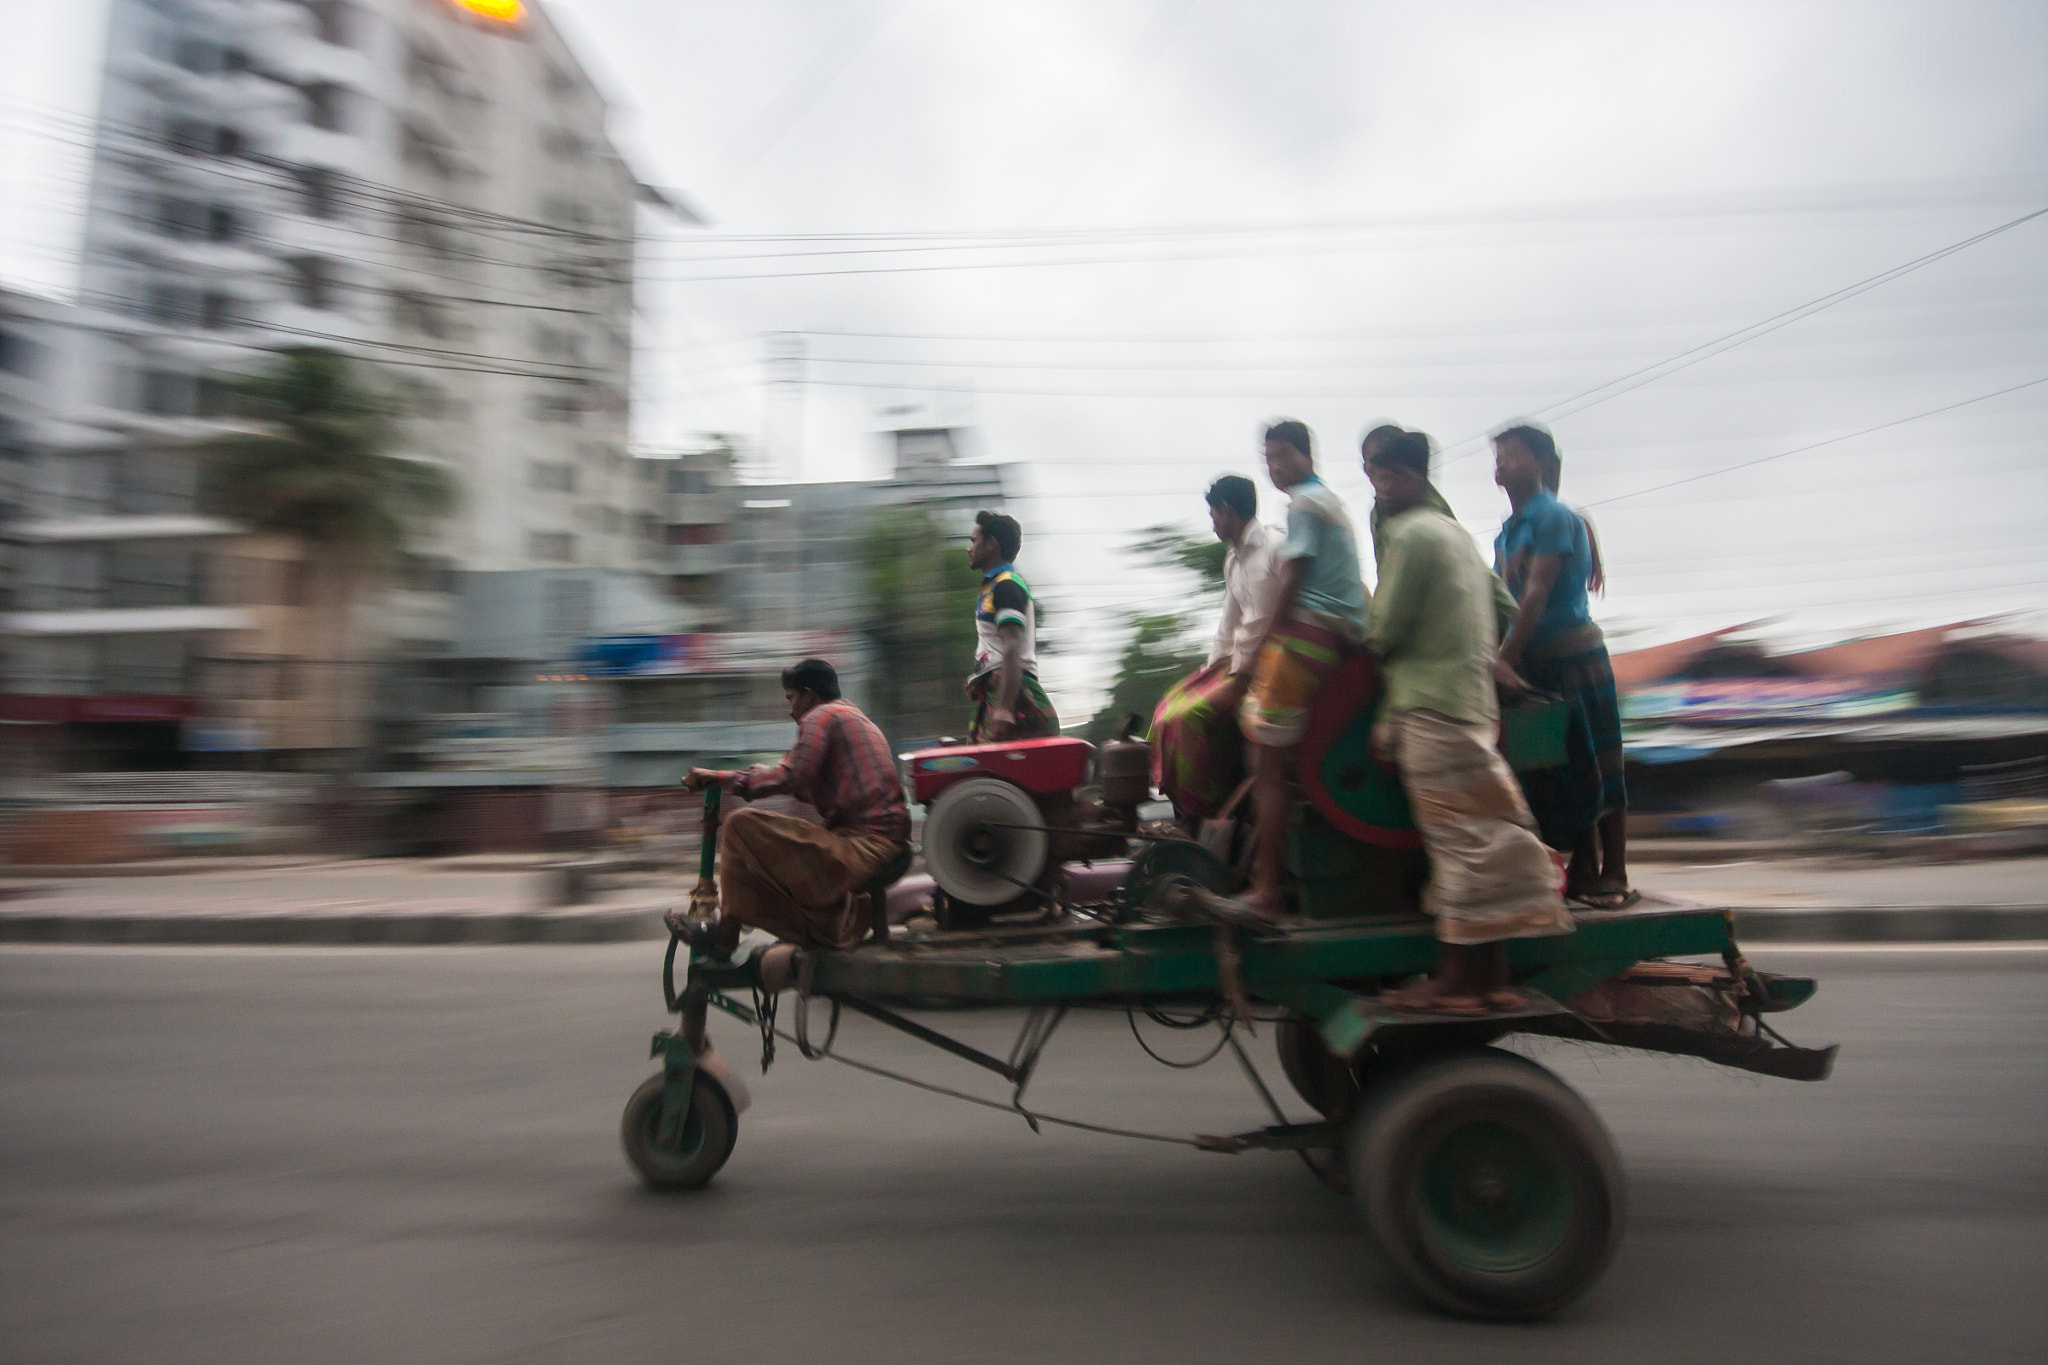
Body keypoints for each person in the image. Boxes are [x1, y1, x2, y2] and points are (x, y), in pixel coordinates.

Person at [1363, 430, 1574, 1011]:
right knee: (1490, 833)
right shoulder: (1455, 533)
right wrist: (1500, 661)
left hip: (1429, 705)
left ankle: (1458, 981)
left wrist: (1352, 635)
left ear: (1406, 476)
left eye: (1380, 478)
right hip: (1473, 703)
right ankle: (1494, 978)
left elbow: (1384, 632)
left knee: (1456, 842)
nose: (1375, 492)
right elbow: (1504, 604)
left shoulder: (1409, 537)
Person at [665, 658, 910, 991]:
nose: (790, 710)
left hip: (864, 845)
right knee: (768, 838)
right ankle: (740, 929)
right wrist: (754, 775)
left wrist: (720, 778)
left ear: (808, 695)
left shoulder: (820, 717)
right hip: (884, 843)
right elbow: (809, 786)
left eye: (790, 699)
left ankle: (726, 934)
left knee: (740, 825)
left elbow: (793, 777)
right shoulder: (854, 717)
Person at [1491, 423, 1635, 908]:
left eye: (1513, 454)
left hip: (1574, 658)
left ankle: (1613, 869)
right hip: (1532, 664)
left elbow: (1535, 593)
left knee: (1600, 762)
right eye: (1498, 456)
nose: (1502, 463)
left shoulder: (1554, 517)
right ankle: (1584, 865)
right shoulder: (1507, 532)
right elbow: (1502, 601)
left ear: (1542, 462)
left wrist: (1502, 659)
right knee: (1557, 767)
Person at [1240, 419, 1370, 919]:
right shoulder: (1328, 502)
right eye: (1268, 458)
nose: (1274, 467)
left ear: (1306, 455)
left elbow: (1291, 579)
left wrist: (1268, 642)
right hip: (1335, 635)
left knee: (1263, 761)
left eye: (1282, 456)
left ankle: (1267, 887)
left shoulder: (1303, 505)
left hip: (1309, 636)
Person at [1151, 474, 1282, 821]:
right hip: (1238, 663)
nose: (1212, 523)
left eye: (1212, 515)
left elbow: (1267, 624)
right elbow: (1227, 626)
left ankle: (1204, 814)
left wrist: (1235, 675)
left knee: (1190, 717)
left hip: (1266, 666)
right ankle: (1180, 808)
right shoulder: (1233, 560)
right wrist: (1208, 672)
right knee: (1167, 707)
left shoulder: (1273, 547)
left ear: (1226, 510)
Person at [965, 509, 1060, 743]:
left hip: (1014, 696)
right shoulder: (992, 586)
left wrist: (1005, 710)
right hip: (997, 692)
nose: (969, 548)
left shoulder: (1007, 586)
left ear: (991, 544)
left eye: (974, 541)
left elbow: (1011, 649)